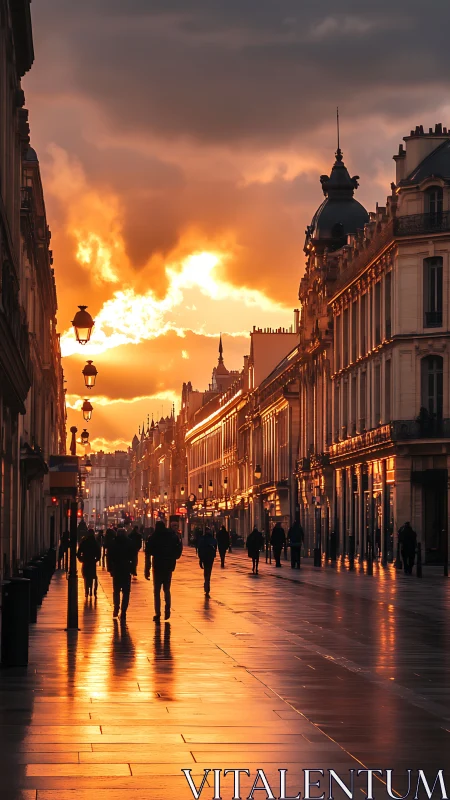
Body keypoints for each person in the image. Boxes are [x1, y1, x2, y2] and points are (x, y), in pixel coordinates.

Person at [145, 520, 183, 622]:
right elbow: (178, 548)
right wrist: (174, 558)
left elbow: (148, 553)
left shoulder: (153, 537)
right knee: (167, 589)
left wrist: (146, 569)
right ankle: (167, 610)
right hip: (168, 566)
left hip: (157, 566)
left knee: (156, 591)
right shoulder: (171, 536)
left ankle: (157, 613)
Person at [108, 525, 136, 620]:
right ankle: (123, 611)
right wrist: (133, 569)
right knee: (126, 592)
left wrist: (110, 569)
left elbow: (109, 557)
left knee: (116, 591)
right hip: (126, 570)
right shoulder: (129, 542)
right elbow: (133, 557)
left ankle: (116, 607)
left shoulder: (113, 542)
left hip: (116, 570)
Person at [77, 529, 101, 598]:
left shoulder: (84, 542)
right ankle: (94, 591)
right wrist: (96, 559)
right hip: (92, 562)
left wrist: (81, 559)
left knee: (86, 576)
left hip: (86, 561)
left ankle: (86, 591)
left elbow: (79, 552)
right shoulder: (95, 542)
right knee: (94, 576)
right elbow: (98, 553)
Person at [198, 527, 217, 596]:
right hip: (210, 557)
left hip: (204, 557)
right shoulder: (213, 539)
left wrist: (200, 558)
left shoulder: (202, 539)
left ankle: (206, 583)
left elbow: (199, 548)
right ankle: (207, 583)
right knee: (209, 571)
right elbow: (215, 547)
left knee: (206, 571)